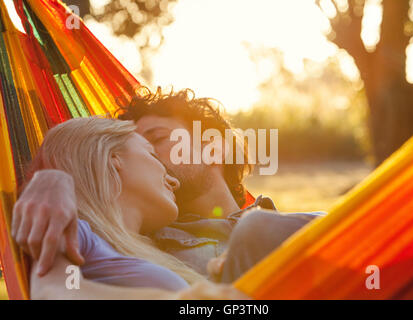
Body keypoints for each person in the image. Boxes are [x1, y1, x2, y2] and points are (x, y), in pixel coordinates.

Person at [13, 88, 324, 284]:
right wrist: (54, 179)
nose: (152, 158)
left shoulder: (282, 224)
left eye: (157, 139)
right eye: (140, 148)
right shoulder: (143, 245)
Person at [22, 117, 246, 299]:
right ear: (113, 159)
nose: (174, 181)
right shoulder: (77, 232)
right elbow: (54, 291)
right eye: (151, 154)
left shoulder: (155, 250)